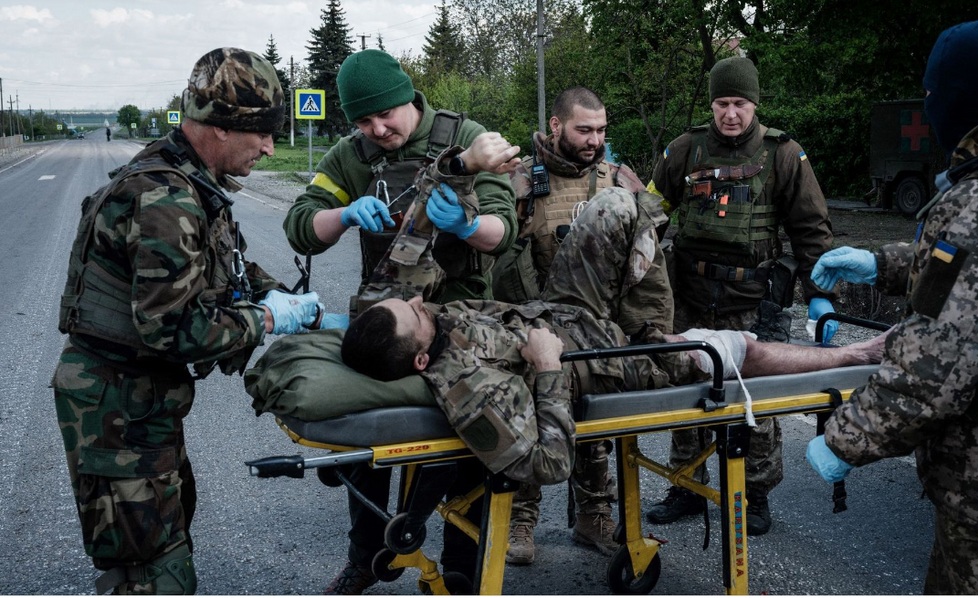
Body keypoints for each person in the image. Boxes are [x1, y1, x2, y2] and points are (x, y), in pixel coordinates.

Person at [341, 187, 885, 493]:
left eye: (412, 302)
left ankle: (646, 284)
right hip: (610, 359)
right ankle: (856, 354)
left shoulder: (404, 326)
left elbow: (393, 282)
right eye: (415, 313)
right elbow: (546, 464)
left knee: (615, 204)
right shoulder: (470, 391)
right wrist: (547, 368)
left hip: (566, 309)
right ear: (420, 359)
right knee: (736, 349)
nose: (421, 302)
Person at [51, 47, 328, 595]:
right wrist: (266, 319)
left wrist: (287, 299)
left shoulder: (187, 178)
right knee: (150, 569)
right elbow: (174, 329)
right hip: (117, 410)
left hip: (141, 400)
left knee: (168, 534)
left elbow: (217, 268)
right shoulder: (166, 198)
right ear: (221, 127)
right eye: (262, 133)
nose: (270, 148)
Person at [281, 48, 519, 594]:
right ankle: (367, 556)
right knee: (367, 431)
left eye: (385, 115)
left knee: (471, 435)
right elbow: (300, 225)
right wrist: (343, 214)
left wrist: (467, 226)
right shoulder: (352, 156)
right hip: (387, 318)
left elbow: (504, 232)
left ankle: (462, 565)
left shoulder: (466, 139)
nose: (377, 129)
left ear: (408, 97)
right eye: (363, 121)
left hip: (461, 318)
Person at [806, 19, 978, 595]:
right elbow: (975, 273)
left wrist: (845, 439)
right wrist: (880, 263)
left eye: (931, 90)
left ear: (958, 98)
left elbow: (932, 369)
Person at [643, 56, 838, 535]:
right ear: (712, 103)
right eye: (722, 103)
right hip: (689, 295)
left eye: (740, 104)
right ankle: (686, 486)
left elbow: (811, 230)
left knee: (756, 401)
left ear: (754, 104)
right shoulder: (684, 150)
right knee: (688, 394)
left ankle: (755, 495)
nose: (731, 114)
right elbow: (649, 216)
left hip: (752, 300)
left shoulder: (785, 156)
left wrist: (821, 296)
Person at [493, 86, 650, 564]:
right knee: (531, 423)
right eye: (584, 130)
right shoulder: (518, 182)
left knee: (595, 424)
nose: (594, 140)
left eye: (601, 131)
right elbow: (492, 261)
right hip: (534, 330)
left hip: (597, 328)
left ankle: (593, 516)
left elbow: (649, 261)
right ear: (557, 125)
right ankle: (520, 521)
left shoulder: (619, 180)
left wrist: (646, 329)